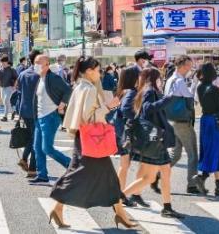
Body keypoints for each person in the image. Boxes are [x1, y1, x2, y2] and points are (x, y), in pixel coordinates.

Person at [46, 56, 136, 230]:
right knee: (79, 174)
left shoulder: (80, 86)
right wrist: (109, 106)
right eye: (96, 70)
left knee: (105, 176)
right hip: (91, 139)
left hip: (84, 137)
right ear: (88, 71)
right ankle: (57, 201)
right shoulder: (90, 89)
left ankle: (120, 213)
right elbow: (89, 118)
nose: (99, 73)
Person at [121, 67, 184, 218]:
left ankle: (167, 207)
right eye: (159, 77)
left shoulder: (146, 90)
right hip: (155, 140)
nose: (161, 80)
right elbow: (148, 109)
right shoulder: (149, 90)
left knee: (166, 172)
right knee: (149, 178)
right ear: (154, 78)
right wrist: (168, 98)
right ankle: (119, 196)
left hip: (156, 139)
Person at [163, 55, 205, 194]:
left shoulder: (169, 80)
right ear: (181, 66)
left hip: (171, 120)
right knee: (192, 153)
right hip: (182, 121)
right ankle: (192, 184)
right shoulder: (180, 81)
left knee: (176, 154)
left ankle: (156, 174)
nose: (189, 68)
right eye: (188, 65)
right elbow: (189, 100)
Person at [28, 53, 72, 185]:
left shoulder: (53, 78)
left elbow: (68, 90)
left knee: (47, 148)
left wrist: (62, 104)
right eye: (35, 62)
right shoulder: (40, 78)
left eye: (38, 62)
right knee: (37, 147)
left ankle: (71, 165)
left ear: (46, 65)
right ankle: (42, 175)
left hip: (50, 116)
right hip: (40, 117)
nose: (35, 65)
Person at [194, 62, 219, 196]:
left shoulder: (199, 87)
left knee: (209, 150)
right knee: (218, 151)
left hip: (205, 120)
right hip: (216, 121)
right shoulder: (214, 89)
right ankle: (205, 179)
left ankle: (216, 183)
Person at [113, 65, 140, 190]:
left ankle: (121, 194)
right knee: (124, 165)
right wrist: (137, 115)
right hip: (124, 134)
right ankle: (120, 195)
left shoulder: (124, 90)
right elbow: (126, 111)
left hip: (121, 132)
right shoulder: (130, 92)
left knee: (124, 165)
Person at [15, 53, 41, 176]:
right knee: (36, 139)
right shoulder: (40, 75)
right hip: (37, 110)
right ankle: (32, 167)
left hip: (24, 110)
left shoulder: (22, 74)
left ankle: (25, 160)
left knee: (33, 137)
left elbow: (18, 92)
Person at [0, 57, 19, 121]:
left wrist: (14, 86)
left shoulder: (12, 69)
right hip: (2, 87)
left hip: (10, 87)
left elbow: (17, 78)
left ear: (7, 62)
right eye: (1, 62)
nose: (2, 64)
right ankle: (13, 112)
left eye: (4, 62)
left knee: (6, 100)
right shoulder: (0, 70)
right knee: (5, 102)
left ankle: (5, 116)